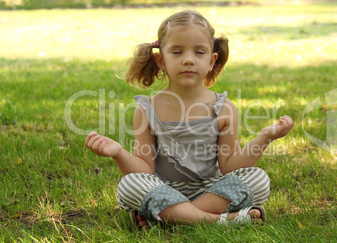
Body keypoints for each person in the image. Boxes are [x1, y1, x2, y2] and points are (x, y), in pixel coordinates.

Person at [85, 10, 294, 228]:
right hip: (164, 188)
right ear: (160, 60)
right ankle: (220, 221)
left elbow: (231, 166)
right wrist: (118, 152)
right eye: (176, 52)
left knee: (258, 179)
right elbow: (145, 169)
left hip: (212, 190)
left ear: (212, 60)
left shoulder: (223, 109)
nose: (188, 60)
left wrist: (264, 138)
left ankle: (171, 217)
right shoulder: (148, 109)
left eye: (199, 52)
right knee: (130, 185)